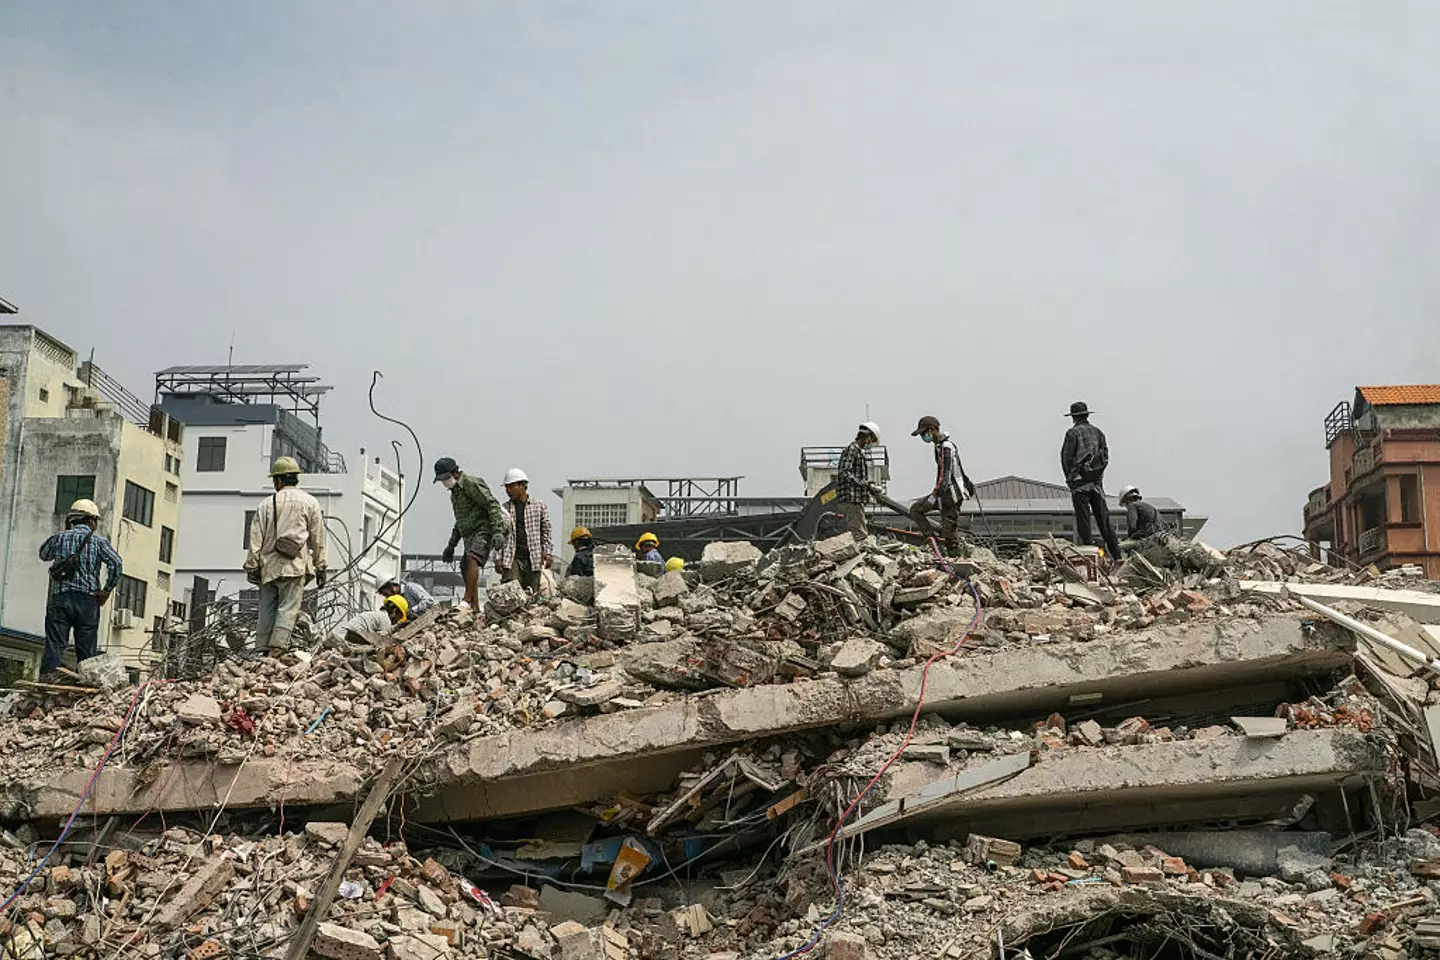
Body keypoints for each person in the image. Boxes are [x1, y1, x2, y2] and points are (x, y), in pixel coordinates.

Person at [245, 456, 326, 654]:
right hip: (295, 565)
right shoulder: (310, 503)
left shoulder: (266, 504)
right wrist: (321, 565)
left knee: (266, 609)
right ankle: (278, 647)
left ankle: (261, 649)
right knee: (288, 608)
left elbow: (255, 537)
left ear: (278, 480)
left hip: (269, 566)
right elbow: (318, 538)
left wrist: (252, 565)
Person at [37, 498, 123, 682]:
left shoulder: (59, 538)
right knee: (86, 648)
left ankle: (47, 680)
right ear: (91, 520)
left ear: (72, 519)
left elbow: (43, 554)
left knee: (55, 643)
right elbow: (116, 563)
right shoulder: (99, 542)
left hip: (60, 599)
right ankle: (86, 683)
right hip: (87, 601)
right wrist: (106, 590)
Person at [436, 457, 508, 610]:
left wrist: (497, 531)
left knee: (472, 557)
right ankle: (474, 607)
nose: (445, 482)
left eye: (446, 478)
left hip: (484, 528)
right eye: (442, 479)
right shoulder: (454, 494)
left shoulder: (470, 483)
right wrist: (451, 546)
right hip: (469, 535)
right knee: (465, 565)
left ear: (455, 473)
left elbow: (492, 505)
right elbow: (460, 522)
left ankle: (467, 599)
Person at [1061, 401, 1123, 559]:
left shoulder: (1072, 433)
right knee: (1104, 520)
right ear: (1087, 415)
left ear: (1074, 418)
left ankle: (1089, 552)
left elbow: (1066, 458)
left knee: (1083, 518)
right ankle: (1117, 555)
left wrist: (1071, 479)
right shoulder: (1099, 433)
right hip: (1096, 483)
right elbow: (1105, 457)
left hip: (1079, 484)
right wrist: (1097, 475)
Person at [908, 415, 976, 554]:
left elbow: (944, 477)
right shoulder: (939, 447)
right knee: (916, 510)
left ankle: (954, 560)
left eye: (923, 433)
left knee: (950, 534)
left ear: (932, 430)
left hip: (951, 496)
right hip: (944, 494)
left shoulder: (946, 447)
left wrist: (932, 498)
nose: (923, 437)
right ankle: (933, 543)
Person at [496, 468, 552, 591]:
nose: (508, 491)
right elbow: (499, 535)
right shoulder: (503, 510)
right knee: (511, 594)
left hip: (533, 559)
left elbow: (546, 531)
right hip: (511, 560)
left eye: (511, 487)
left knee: (532, 594)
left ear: (523, 485)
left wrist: (547, 552)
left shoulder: (539, 506)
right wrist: (497, 557)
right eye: (506, 487)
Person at [835, 421, 881, 538]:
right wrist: (864, 484)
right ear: (867, 437)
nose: (871, 443)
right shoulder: (852, 450)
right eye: (872, 440)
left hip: (855, 499)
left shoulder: (858, 452)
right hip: (851, 498)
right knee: (859, 534)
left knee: (860, 531)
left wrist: (868, 486)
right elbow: (844, 471)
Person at [332, 593, 408, 642]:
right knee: (381, 642)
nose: (398, 620)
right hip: (359, 634)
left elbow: (387, 629)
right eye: (399, 616)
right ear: (395, 611)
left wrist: (396, 627)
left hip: (351, 632)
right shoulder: (385, 619)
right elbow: (385, 637)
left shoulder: (379, 615)